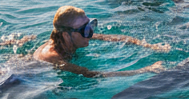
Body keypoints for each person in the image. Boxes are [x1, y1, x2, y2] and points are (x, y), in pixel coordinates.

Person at [34, 6, 168, 77]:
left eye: (90, 26)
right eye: (84, 29)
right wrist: (146, 70)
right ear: (66, 35)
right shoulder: (55, 58)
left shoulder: (75, 35)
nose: (90, 33)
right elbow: (94, 75)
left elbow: (111, 38)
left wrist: (148, 45)